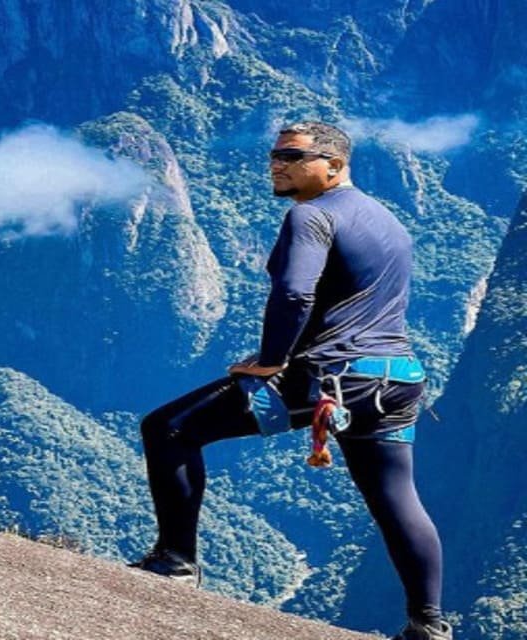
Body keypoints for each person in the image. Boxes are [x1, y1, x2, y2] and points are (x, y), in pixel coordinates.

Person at [129, 122, 450, 640]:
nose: (278, 163)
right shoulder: (385, 219)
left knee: (169, 429)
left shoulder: (311, 216)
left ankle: (176, 561)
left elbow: (296, 294)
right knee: (395, 498)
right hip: (397, 379)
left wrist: (272, 360)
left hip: (333, 378)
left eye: (294, 155)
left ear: (334, 165)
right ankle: (429, 624)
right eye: (275, 154)